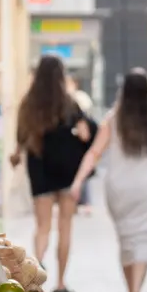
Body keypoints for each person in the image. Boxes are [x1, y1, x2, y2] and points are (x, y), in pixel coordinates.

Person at [68, 69, 147, 292]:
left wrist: (78, 181)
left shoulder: (113, 117)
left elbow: (94, 153)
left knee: (126, 239)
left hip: (118, 187)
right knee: (142, 238)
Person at [10, 54, 95, 292]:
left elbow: (20, 138)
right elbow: (85, 134)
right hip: (67, 168)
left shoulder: (28, 104)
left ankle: (35, 276)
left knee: (43, 226)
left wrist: (16, 155)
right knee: (65, 225)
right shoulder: (70, 103)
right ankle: (60, 282)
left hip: (39, 167)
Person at [65, 73, 96, 215]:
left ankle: (85, 202)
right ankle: (77, 202)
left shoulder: (79, 99)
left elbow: (85, 124)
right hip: (73, 145)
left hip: (78, 145)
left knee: (83, 173)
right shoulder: (67, 100)